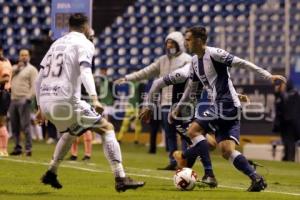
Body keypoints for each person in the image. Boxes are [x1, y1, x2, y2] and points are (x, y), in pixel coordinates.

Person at [35, 13, 144, 192]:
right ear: (86, 27)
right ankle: (120, 178)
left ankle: (51, 172)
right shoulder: (85, 43)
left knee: (71, 132)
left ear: (69, 26)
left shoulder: (56, 44)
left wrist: (40, 107)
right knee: (107, 128)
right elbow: (86, 71)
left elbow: (39, 78)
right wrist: (94, 98)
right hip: (66, 101)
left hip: (47, 101)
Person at [169, 26, 286, 192]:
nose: (186, 42)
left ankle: (206, 173)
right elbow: (192, 89)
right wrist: (179, 107)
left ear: (199, 40)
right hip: (226, 105)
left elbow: (242, 63)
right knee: (226, 151)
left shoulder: (215, 54)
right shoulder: (195, 61)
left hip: (225, 104)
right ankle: (256, 178)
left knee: (193, 131)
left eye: (188, 39)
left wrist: (267, 75)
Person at [115, 31, 191, 170]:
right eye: (167, 43)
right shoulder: (162, 60)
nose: (169, 45)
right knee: (169, 134)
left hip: (182, 102)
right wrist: (127, 78)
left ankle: (185, 161)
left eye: (172, 43)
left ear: (179, 44)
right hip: (165, 103)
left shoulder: (187, 59)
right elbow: (146, 72)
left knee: (184, 133)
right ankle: (173, 160)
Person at [9, 49, 38, 156]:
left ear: (29, 56)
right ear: (19, 57)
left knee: (25, 126)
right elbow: (8, 78)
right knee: (14, 126)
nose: (24, 57)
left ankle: (28, 148)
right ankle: (17, 147)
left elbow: (35, 85)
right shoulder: (14, 68)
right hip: (13, 99)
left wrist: (29, 97)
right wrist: (17, 68)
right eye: (22, 55)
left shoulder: (32, 69)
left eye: (26, 55)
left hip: (24, 99)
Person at [273, 80, 300, 161]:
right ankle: (289, 158)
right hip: (295, 123)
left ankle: (289, 158)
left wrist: (278, 93)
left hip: (287, 123)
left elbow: (281, 107)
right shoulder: (297, 94)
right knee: (291, 142)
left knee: (288, 141)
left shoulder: (284, 96)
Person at [0, 54, 12, 157]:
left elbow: (6, 79)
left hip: (3, 94)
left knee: (1, 122)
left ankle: (3, 150)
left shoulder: (4, 63)